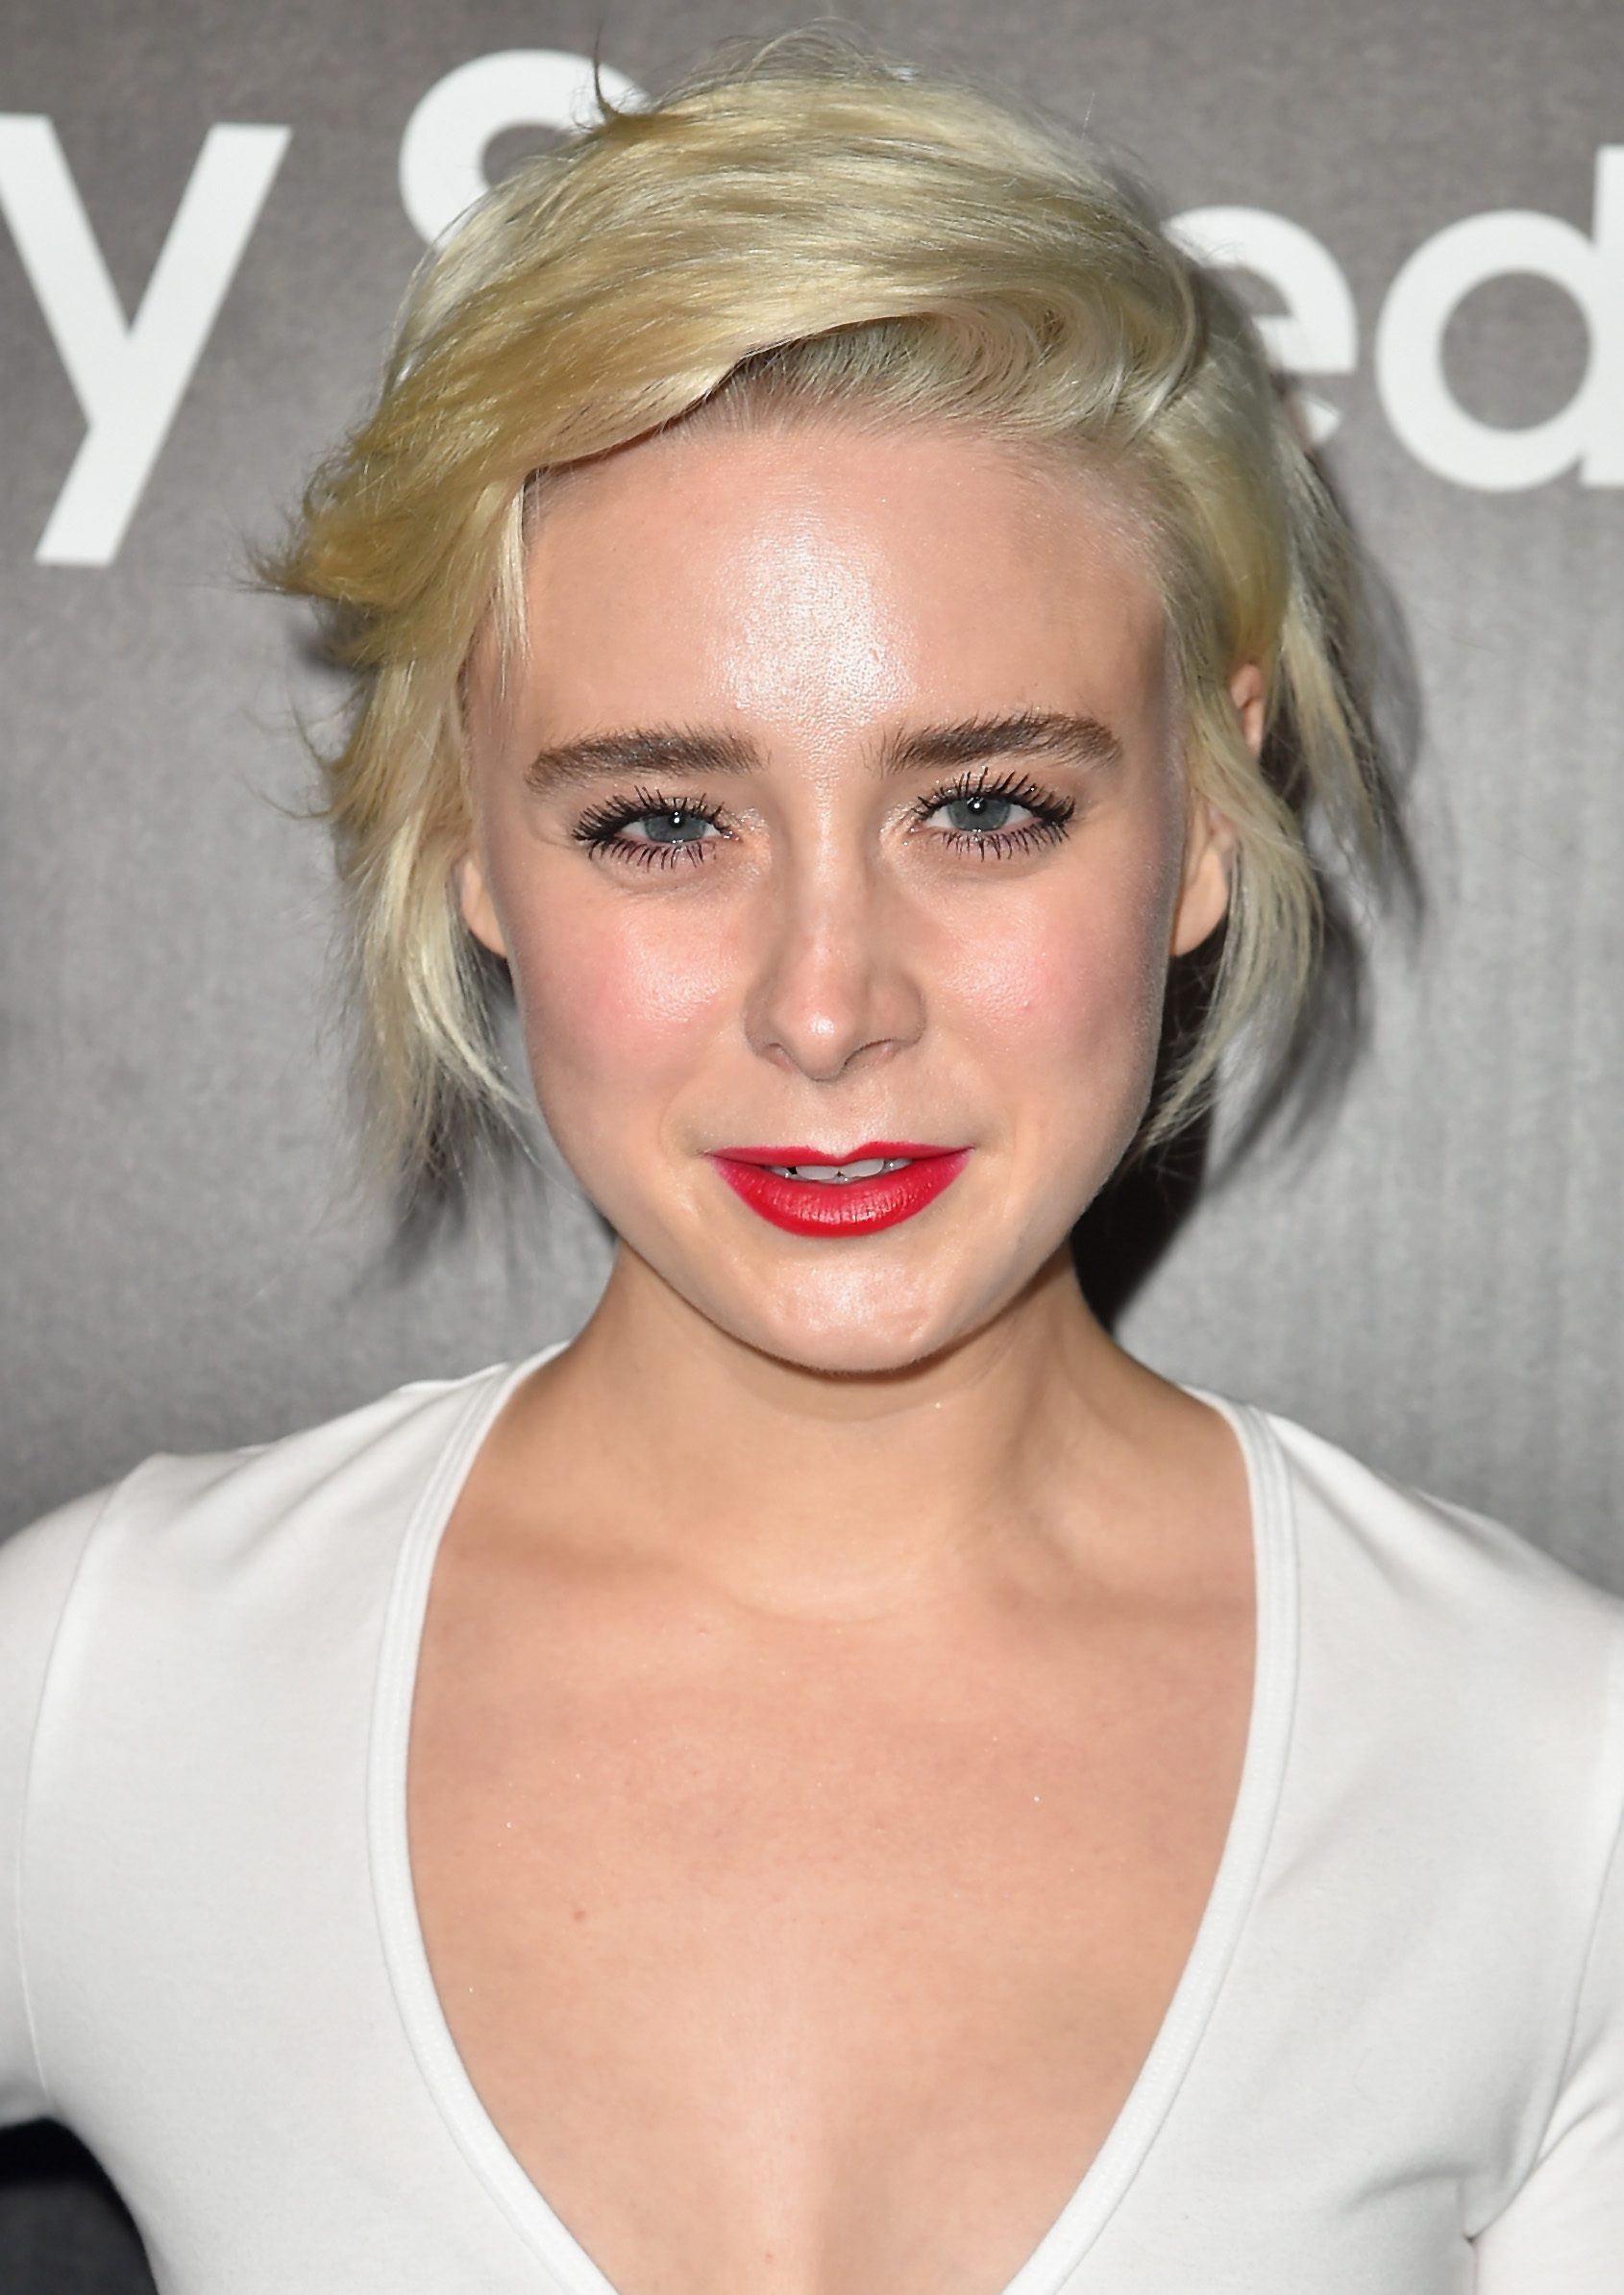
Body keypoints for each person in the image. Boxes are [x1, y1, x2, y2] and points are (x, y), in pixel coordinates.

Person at [2, 31, 1619, 2295]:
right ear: (470, 840)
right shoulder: (111, 1686)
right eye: (663, 822)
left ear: (1199, 809)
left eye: (985, 808)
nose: (827, 1000)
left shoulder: (1547, 1778)